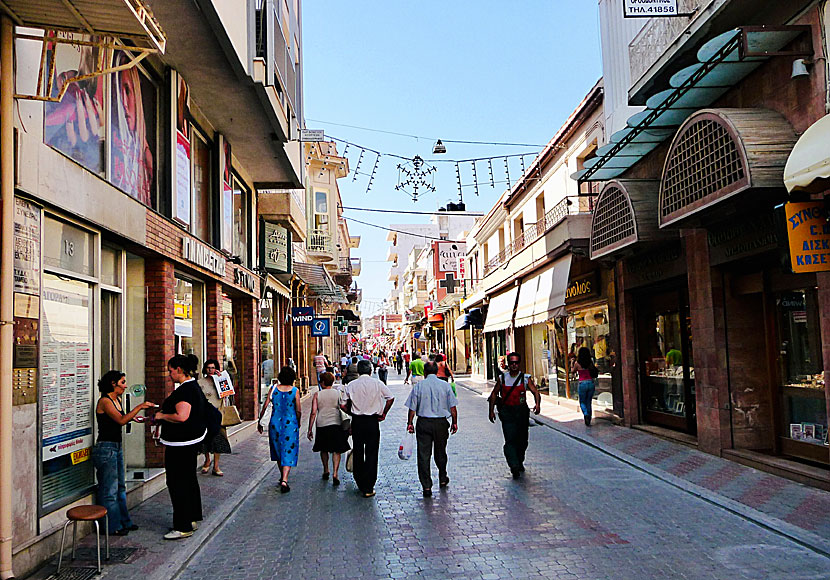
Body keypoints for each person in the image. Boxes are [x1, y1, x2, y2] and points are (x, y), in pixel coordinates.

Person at [93, 370, 155, 536]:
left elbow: (121, 417)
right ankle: (112, 527)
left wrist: (134, 417)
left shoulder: (117, 399)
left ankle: (124, 522)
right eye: (122, 382)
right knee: (110, 490)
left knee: (121, 487)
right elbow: (121, 421)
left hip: (116, 446)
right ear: (113, 384)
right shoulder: (105, 401)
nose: (125, 386)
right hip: (106, 448)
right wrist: (139, 407)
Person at [154, 354, 207, 539]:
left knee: (177, 483)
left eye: (170, 370)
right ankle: (191, 517)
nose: (169, 374)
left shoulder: (185, 391)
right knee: (189, 479)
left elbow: (182, 416)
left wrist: (161, 416)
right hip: (189, 442)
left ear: (179, 370)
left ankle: (182, 525)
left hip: (180, 444)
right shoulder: (193, 387)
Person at [341, 360, 395, 498]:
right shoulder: (377, 383)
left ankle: (360, 482)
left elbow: (342, 405)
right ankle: (369, 485)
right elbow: (390, 397)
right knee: (372, 452)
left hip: (358, 422)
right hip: (372, 422)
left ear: (358, 371)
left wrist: (351, 413)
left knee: (358, 451)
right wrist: (384, 413)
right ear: (371, 370)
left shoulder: (351, 385)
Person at [405, 362, 458, 497]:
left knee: (423, 455)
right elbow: (453, 407)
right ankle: (442, 477)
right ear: (437, 371)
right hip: (441, 423)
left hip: (423, 423)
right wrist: (454, 423)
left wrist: (410, 423)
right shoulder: (445, 386)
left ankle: (426, 486)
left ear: (425, 372)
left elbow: (412, 407)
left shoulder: (419, 386)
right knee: (441, 451)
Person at [488, 352, 541, 479]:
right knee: (510, 440)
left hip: (521, 412)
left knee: (522, 440)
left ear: (519, 363)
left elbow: (535, 391)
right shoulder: (503, 378)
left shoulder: (525, 378)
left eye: (516, 363)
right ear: (508, 364)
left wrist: (537, 404)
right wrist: (491, 410)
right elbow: (494, 394)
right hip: (507, 412)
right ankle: (514, 465)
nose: (514, 365)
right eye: (512, 363)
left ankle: (519, 459)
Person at [258, 366, 301, 493]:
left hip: (275, 423)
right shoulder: (295, 391)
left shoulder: (273, 389)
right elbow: (298, 409)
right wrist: (298, 421)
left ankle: (282, 475)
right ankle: (285, 479)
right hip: (290, 424)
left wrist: (260, 422)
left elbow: (265, 406)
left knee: (277, 449)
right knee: (289, 449)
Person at [307, 372, 350, 486]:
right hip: (336, 423)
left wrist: (310, 429)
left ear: (322, 382)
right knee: (337, 450)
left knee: (324, 448)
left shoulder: (317, 395)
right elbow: (343, 407)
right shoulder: (337, 393)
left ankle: (326, 469)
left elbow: (313, 412)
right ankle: (335, 473)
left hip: (322, 423)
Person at [197, 359, 232, 476]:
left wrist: (221, 378)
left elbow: (228, 393)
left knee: (218, 440)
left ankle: (216, 466)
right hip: (205, 415)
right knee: (206, 440)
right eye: (208, 368)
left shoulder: (220, 381)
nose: (210, 370)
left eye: (213, 368)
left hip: (218, 414)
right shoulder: (200, 382)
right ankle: (207, 461)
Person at [575, 347, 599, 426]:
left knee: (582, 401)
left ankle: (586, 414)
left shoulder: (577, 363)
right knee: (589, 401)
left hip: (582, 383)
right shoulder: (590, 362)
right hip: (590, 383)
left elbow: (572, 371)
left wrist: (572, 364)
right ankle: (589, 416)